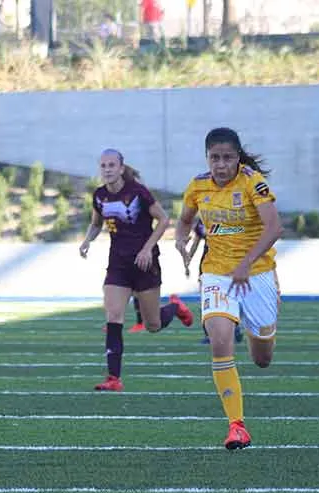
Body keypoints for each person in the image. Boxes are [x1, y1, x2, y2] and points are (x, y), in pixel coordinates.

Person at [175, 127, 283, 450]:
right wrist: (180, 239)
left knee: (262, 357)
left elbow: (275, 227)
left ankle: (262, 330)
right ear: (206, 158)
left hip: (257, 273)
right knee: (219, 340)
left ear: (238, 158)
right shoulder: (197, 186)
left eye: (227, 158)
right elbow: (184, 219)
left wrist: (247, 263)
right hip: (217, 273)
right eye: (214, 158)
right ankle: (237, 426)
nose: (220, 165)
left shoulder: (252, 183)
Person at [79, 148, 193, 392]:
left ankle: (174, 307)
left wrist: (146, 249)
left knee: (153, 325)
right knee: (113, 317)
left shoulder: (138, 192)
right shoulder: (99, 196)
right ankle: (113, 378)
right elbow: (96, 223)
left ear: (121, 168)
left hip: (145, 264)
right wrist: (87, 239)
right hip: (118, 266)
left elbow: (163, 220)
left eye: (112, 165)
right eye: (103, 166)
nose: (107, 169)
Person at [183, 217, 243, 345]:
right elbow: (196, 242)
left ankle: (235, 328)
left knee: (231, 297)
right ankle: (209, 334)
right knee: (207, 300)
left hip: (227, 262)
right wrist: (187, 261)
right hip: (207, 264)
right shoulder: (201, 221)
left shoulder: (227, 216)